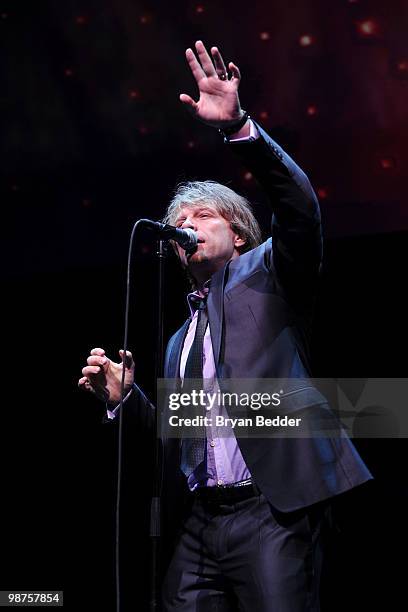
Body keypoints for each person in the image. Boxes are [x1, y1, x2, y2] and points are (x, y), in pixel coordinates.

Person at [79, 41, 372, 611]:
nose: (186, 226)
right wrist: (128, 398)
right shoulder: (177, 341)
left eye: (202, 216)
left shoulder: (269, 275)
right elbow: (179, 433)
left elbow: (301, 207)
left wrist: (238, 126)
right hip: (202, 522)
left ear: (237, 233)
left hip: (273, 510)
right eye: (178, 222)